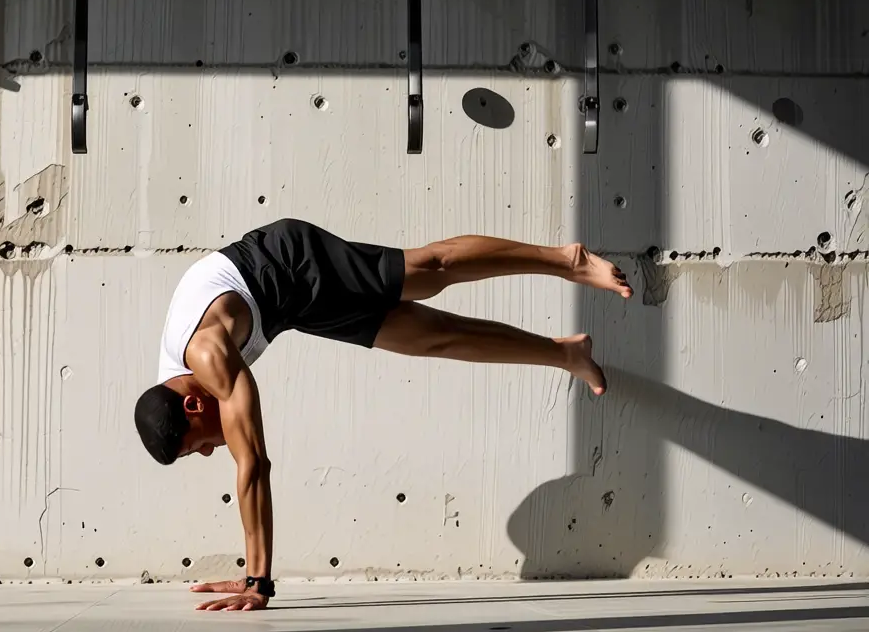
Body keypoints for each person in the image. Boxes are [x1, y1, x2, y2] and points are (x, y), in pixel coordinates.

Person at [134, 218, 632, 611]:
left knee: (429, 271)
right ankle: (564, 354)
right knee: (433, 336)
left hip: (291, 262)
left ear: (194, 404)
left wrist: (257, 579)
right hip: (286, 307)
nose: (206, 449)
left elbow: (254, 464)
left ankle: (569, 259)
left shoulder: (206, 356)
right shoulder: (173, 385)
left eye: (197, 442)